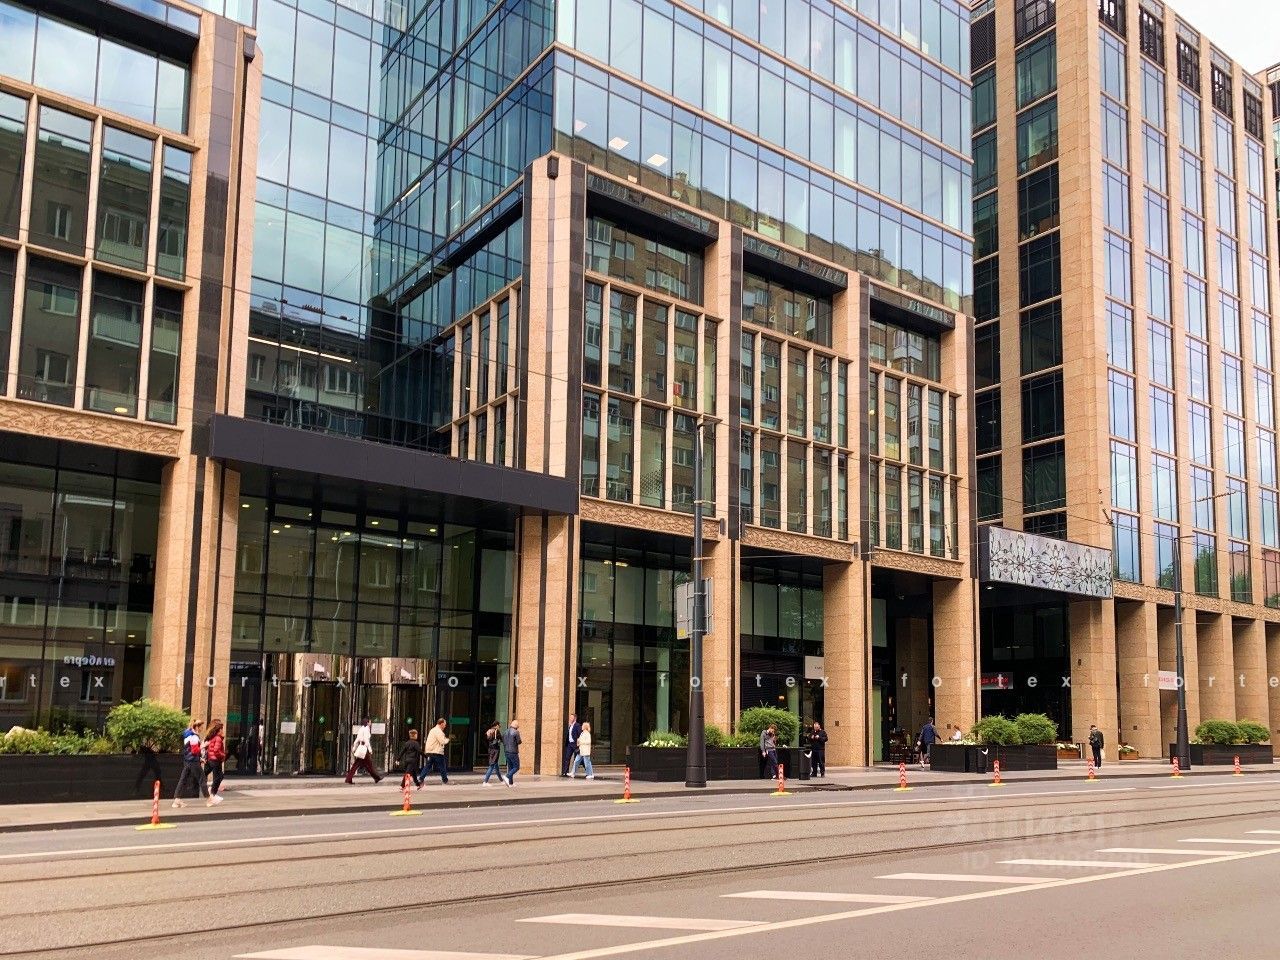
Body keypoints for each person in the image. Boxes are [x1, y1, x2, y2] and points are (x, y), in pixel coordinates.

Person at [172, 720, 210, 808]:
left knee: (183, 779)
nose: (202, 728)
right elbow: (194, 750)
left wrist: (200, 758)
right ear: (196, 727)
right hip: (193, 761)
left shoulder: (187, 735)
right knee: (202, 778)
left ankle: (176, 801)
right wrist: (203, 745)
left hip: (187, 760)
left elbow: (188, 750)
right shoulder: (194, 737)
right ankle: (209, 799)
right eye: (201, 727)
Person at [344, 718, 383, 784]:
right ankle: (377, 778)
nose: (370, 723)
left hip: (360, 748)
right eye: (370, 722)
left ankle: (348, 779)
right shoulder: (366, 729)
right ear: (367, 723)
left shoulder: (361, 729)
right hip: (364, 749)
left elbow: (357, 739)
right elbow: (366, 740)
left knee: (359, 765)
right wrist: (370, 750)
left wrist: (354, 747)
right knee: (369, 765)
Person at [419, 718, 450, 786]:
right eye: (445, 725)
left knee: (428, 766)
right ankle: (445, 780)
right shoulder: (438, 731)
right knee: (442, 766)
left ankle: (421, 778)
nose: (445, 726)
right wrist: (448, 740)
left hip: (429, 752)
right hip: (437, 752)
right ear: (441, 724)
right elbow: (442, 741)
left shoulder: (432, 730)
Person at [203, 719, 227, 803]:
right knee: (218, 777)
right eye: (222, 729)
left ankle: (211, 791)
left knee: (218, 776)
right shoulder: (218, 738)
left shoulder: (213, 737)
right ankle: (213, 794)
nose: (223, 730)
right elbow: (216, 750)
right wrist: (223, 755)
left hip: (210, 759)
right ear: (219, 730)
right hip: (215, 760)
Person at [503, 719, 522, 786]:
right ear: (516, 726)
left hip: (506, 751)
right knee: (516, 767)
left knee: (510, 767)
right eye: (518, 726)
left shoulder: (505, 731)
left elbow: (503, 741)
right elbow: (519, 741)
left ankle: (510, 783)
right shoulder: (516, 732)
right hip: (513, 752)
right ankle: (506, 776)